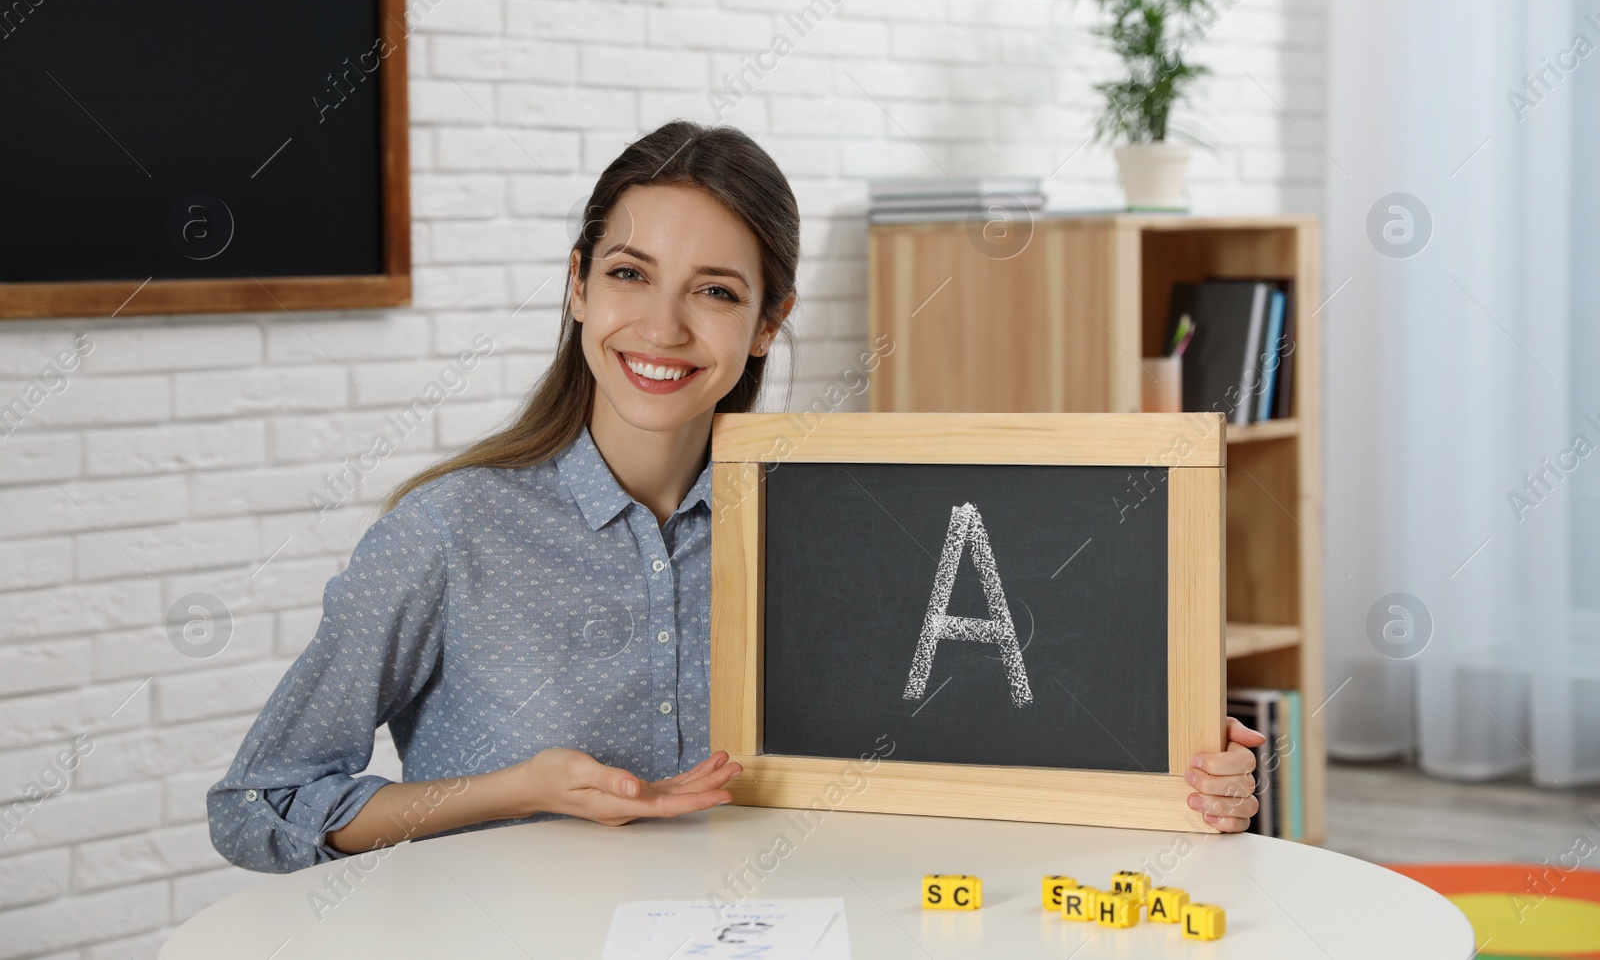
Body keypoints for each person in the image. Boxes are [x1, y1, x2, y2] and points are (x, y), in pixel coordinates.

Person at [207, 120, 1262, 874]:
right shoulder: (446, 531)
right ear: (577, 285)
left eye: (715, 291)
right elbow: (261, 807)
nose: (662, 327)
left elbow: (959, 766)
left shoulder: (840, 534)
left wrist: (1148, 750)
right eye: (629, 273)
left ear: (768, 321)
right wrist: (520, 787)